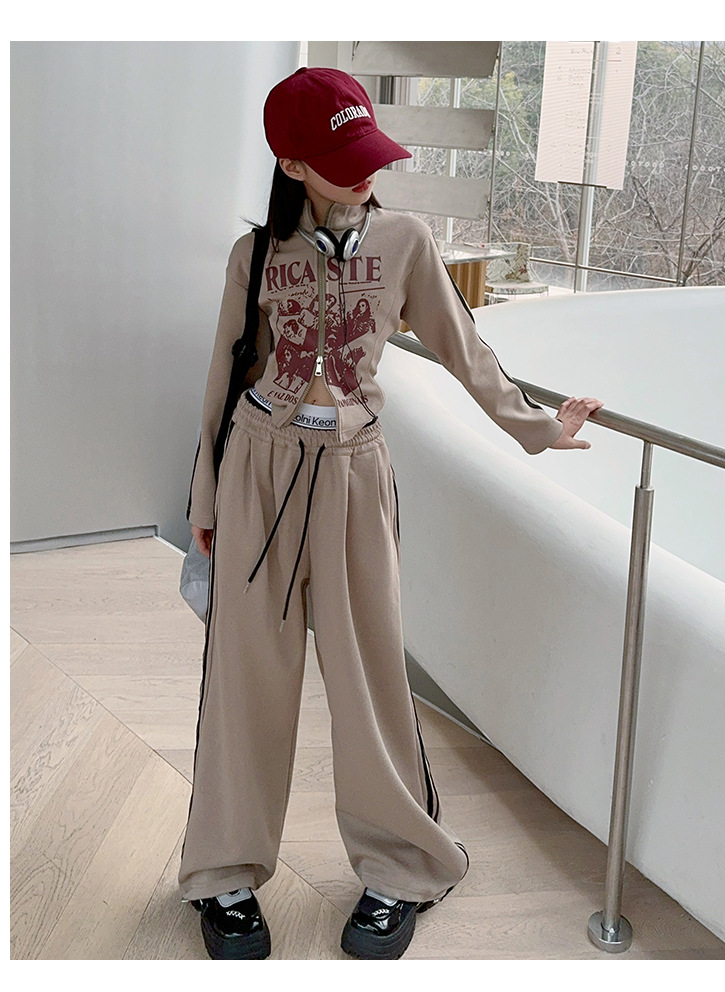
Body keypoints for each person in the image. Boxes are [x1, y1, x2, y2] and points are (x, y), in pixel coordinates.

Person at [179, 65, 603, 961]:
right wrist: (206, 497)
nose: (367, 169)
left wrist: (538, 426)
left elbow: (463, 346)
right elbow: (225, 376)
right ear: (292, 164)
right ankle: (223, 874)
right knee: (245, 679)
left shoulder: (406, 241)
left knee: (371, 674)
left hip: (354, 475)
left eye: (368, 148)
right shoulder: (254, 255)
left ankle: (403, 866)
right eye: (341, 158)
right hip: (258, 471)